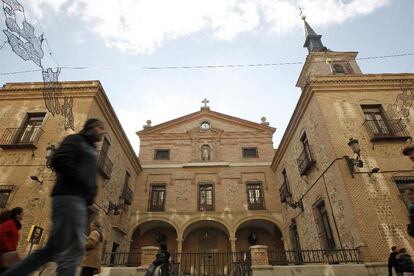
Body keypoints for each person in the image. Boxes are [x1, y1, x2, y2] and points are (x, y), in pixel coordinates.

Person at [1, 118, 106, 276]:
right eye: (100, 128)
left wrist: (90, 193)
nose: (102, 131)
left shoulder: (90, 149)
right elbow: (59, 159)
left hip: (79, 201)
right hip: (70, 197)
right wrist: (82, 183)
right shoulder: (75, 140)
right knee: (72, 249)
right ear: (90, 128)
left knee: (57, 249)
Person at [0, 207, 23, 272]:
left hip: (10, 254)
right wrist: (8, 248)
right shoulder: (9, 223)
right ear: (17, 215)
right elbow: (1, 235)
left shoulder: (15, 226)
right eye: (22, 214)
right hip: (5, 254)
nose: (23, 216)